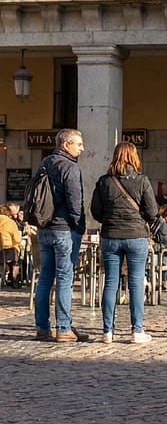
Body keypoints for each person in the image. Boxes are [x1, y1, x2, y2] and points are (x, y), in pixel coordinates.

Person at [90, 142, 159, 345]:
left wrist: (109, 220)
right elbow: (152, 212)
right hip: (136, 236)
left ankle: (107, 331)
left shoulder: (104, 182)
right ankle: (136, 330)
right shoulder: (142, 180)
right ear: (134, 157)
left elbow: (95, 211)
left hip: (111, 235)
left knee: (111, 282)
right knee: (136, 283)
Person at [33, 128, 89, 342]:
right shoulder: (70, 167)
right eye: (78, 144)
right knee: (65, 277)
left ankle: (42, 326)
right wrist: (80, 226)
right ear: (66, 145)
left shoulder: (45, 163)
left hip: (44, 227)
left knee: (45, 276)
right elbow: (75, 201)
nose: (82, 148)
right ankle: (63, 328)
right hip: (63, 228)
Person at [0, 203, 22, 288]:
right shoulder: (10, 222)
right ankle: (14, 280)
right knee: (15, 261)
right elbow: (17, 239)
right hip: (8, 250)